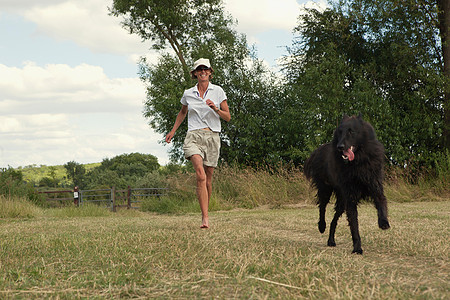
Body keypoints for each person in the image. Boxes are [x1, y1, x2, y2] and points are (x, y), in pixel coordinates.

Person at [165, 58, 231, 229]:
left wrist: (215, 109)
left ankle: (206, 212)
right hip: (193, 136)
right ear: (194, 73)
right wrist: (173, 131)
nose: (202, 72)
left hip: (212, 136)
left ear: (210, 72)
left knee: (208, 179)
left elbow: (228, 117)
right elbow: (182, 112)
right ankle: (205, 218)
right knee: (200, 175)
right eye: (199, 69)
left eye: (205, 69)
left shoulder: (218, 91)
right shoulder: (188, 93)